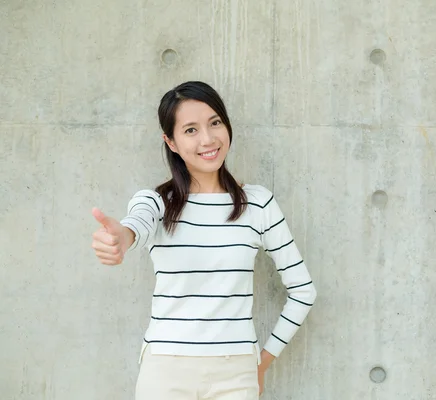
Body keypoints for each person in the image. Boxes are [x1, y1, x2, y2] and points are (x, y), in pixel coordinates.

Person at [90, 81, 317, 399]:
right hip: (165, 373)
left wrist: (261, 365)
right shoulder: (156, 202)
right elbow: (134, 226)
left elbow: (304, 291)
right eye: (190, 130)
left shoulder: (258, 204)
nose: (208, 139)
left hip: (235, 376)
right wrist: (121, 238)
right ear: (170, 141)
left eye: (215, 123)